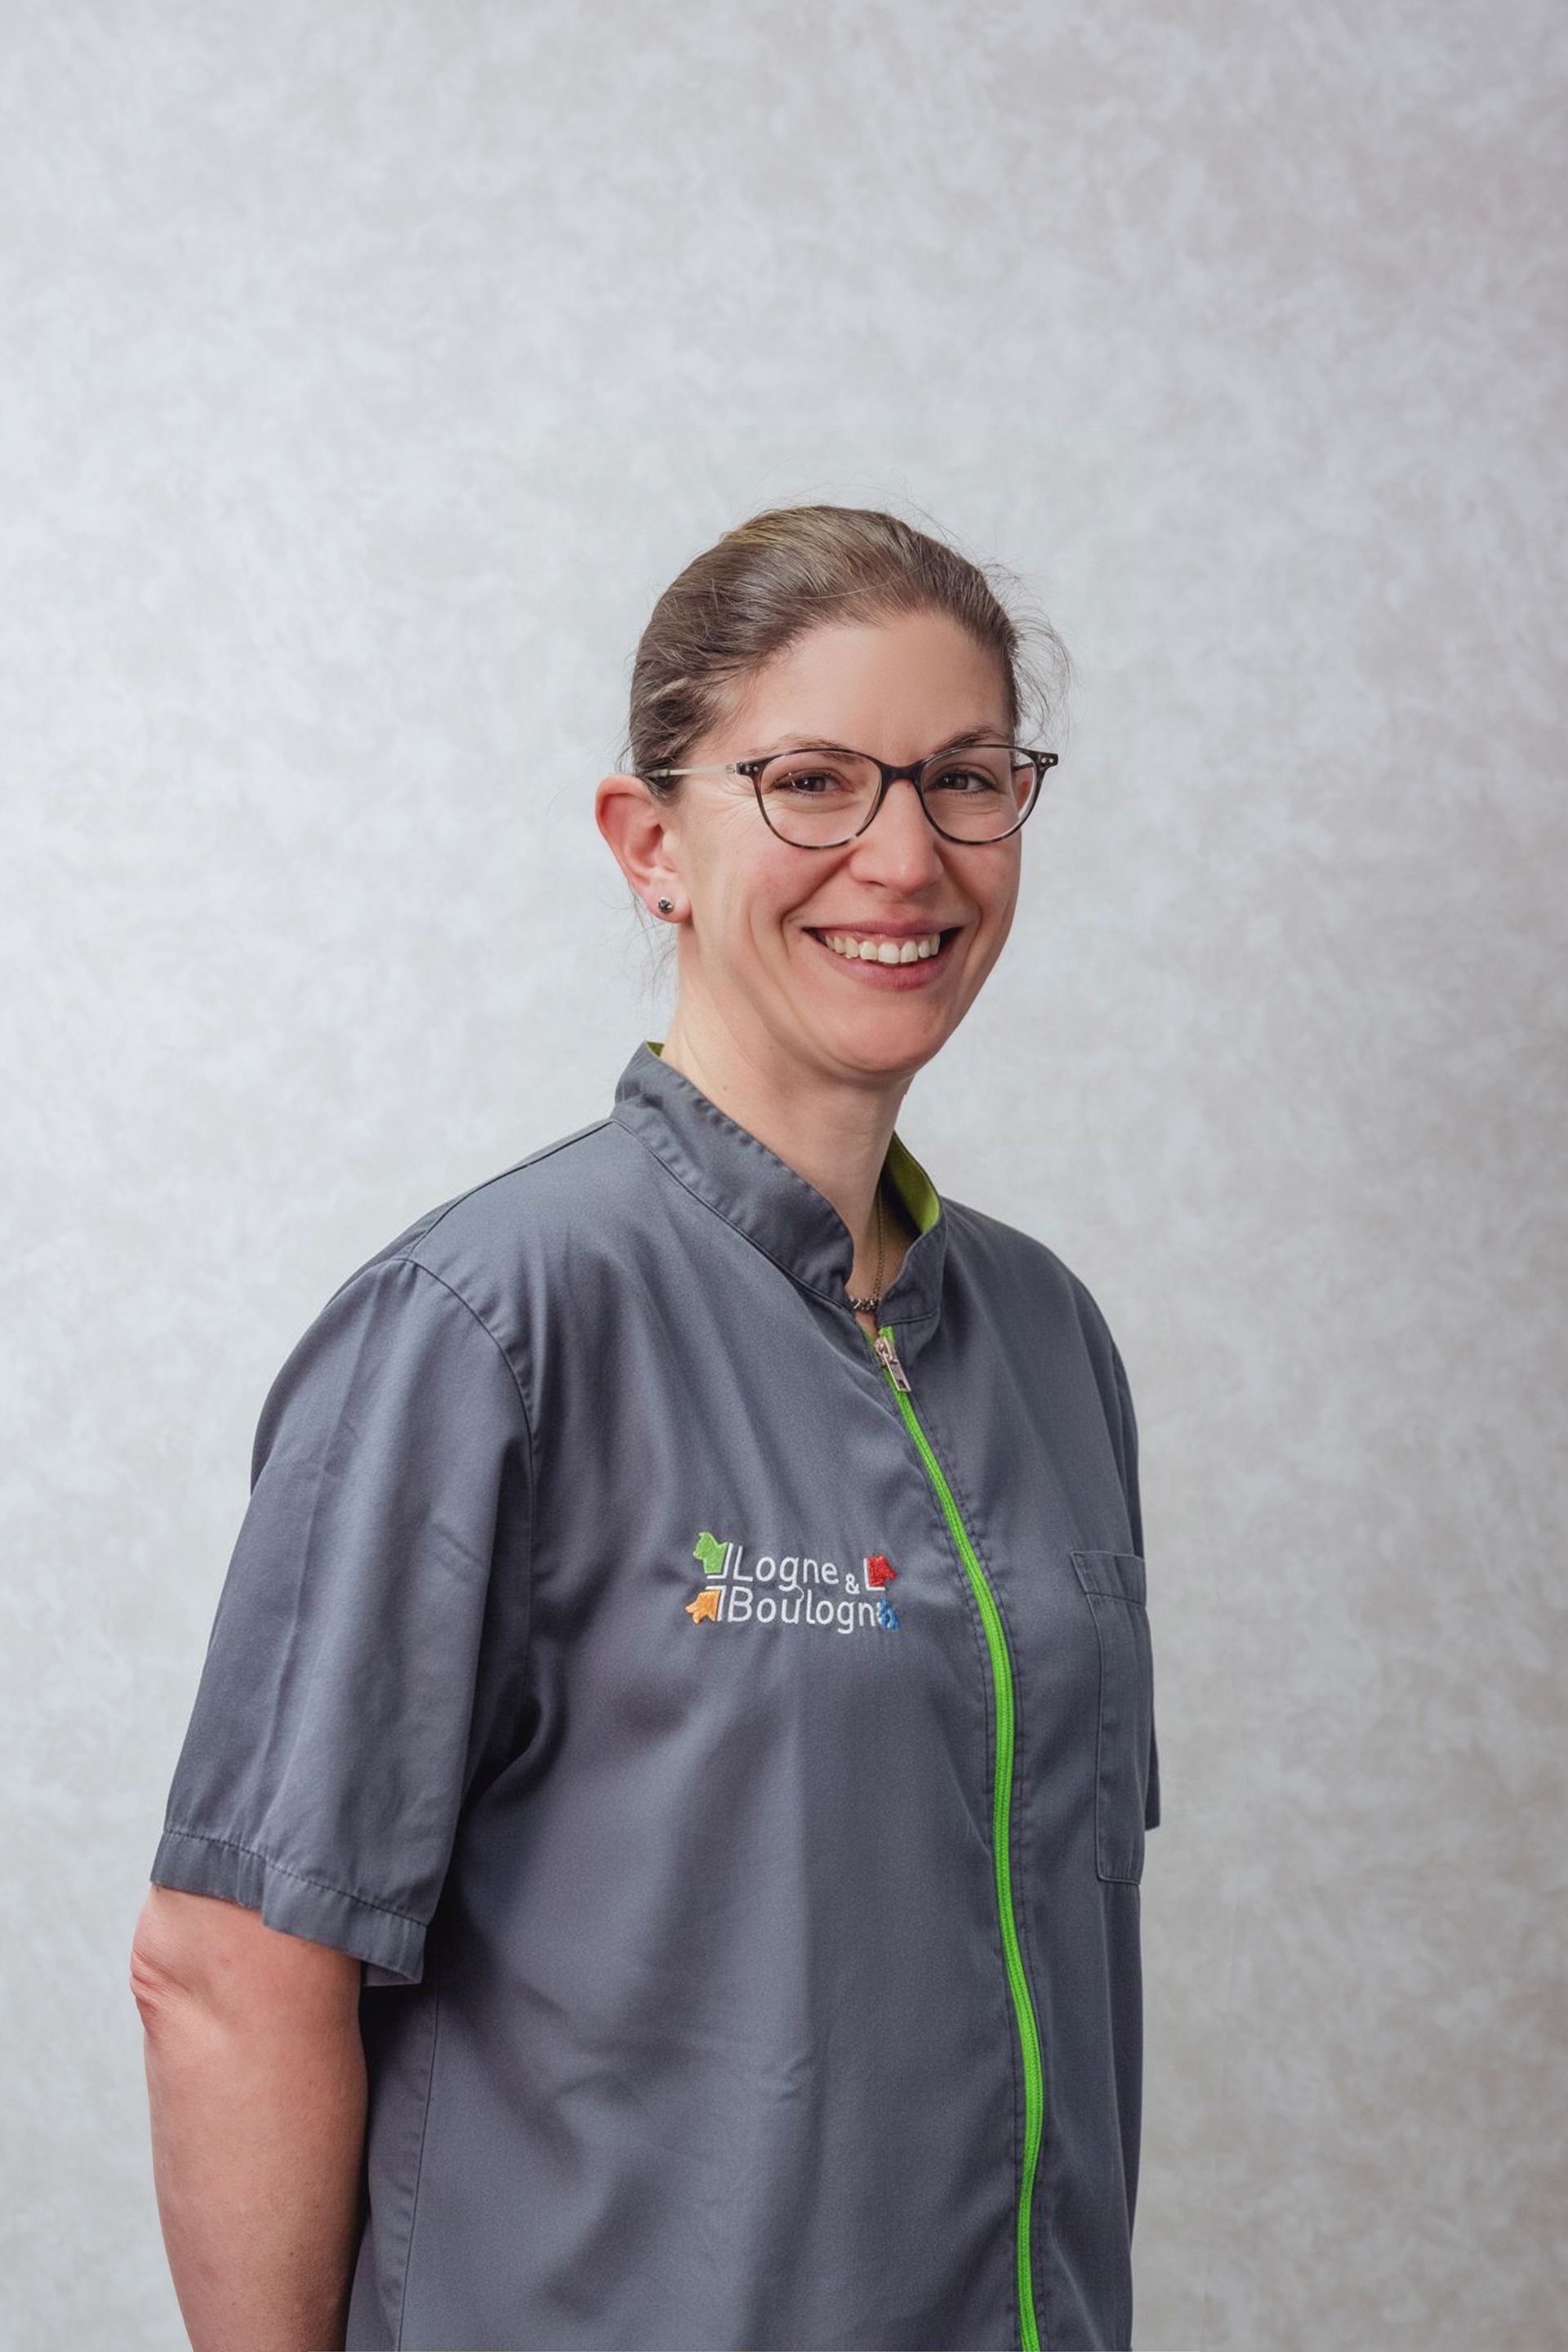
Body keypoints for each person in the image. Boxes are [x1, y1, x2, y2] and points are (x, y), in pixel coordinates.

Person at [130, 502, 1161, 2352]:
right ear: (651, 844)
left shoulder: (1048, 1342)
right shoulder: (486, 1327)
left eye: (965, 778)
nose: (904, 856)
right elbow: (229, 1969)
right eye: (814, 783)